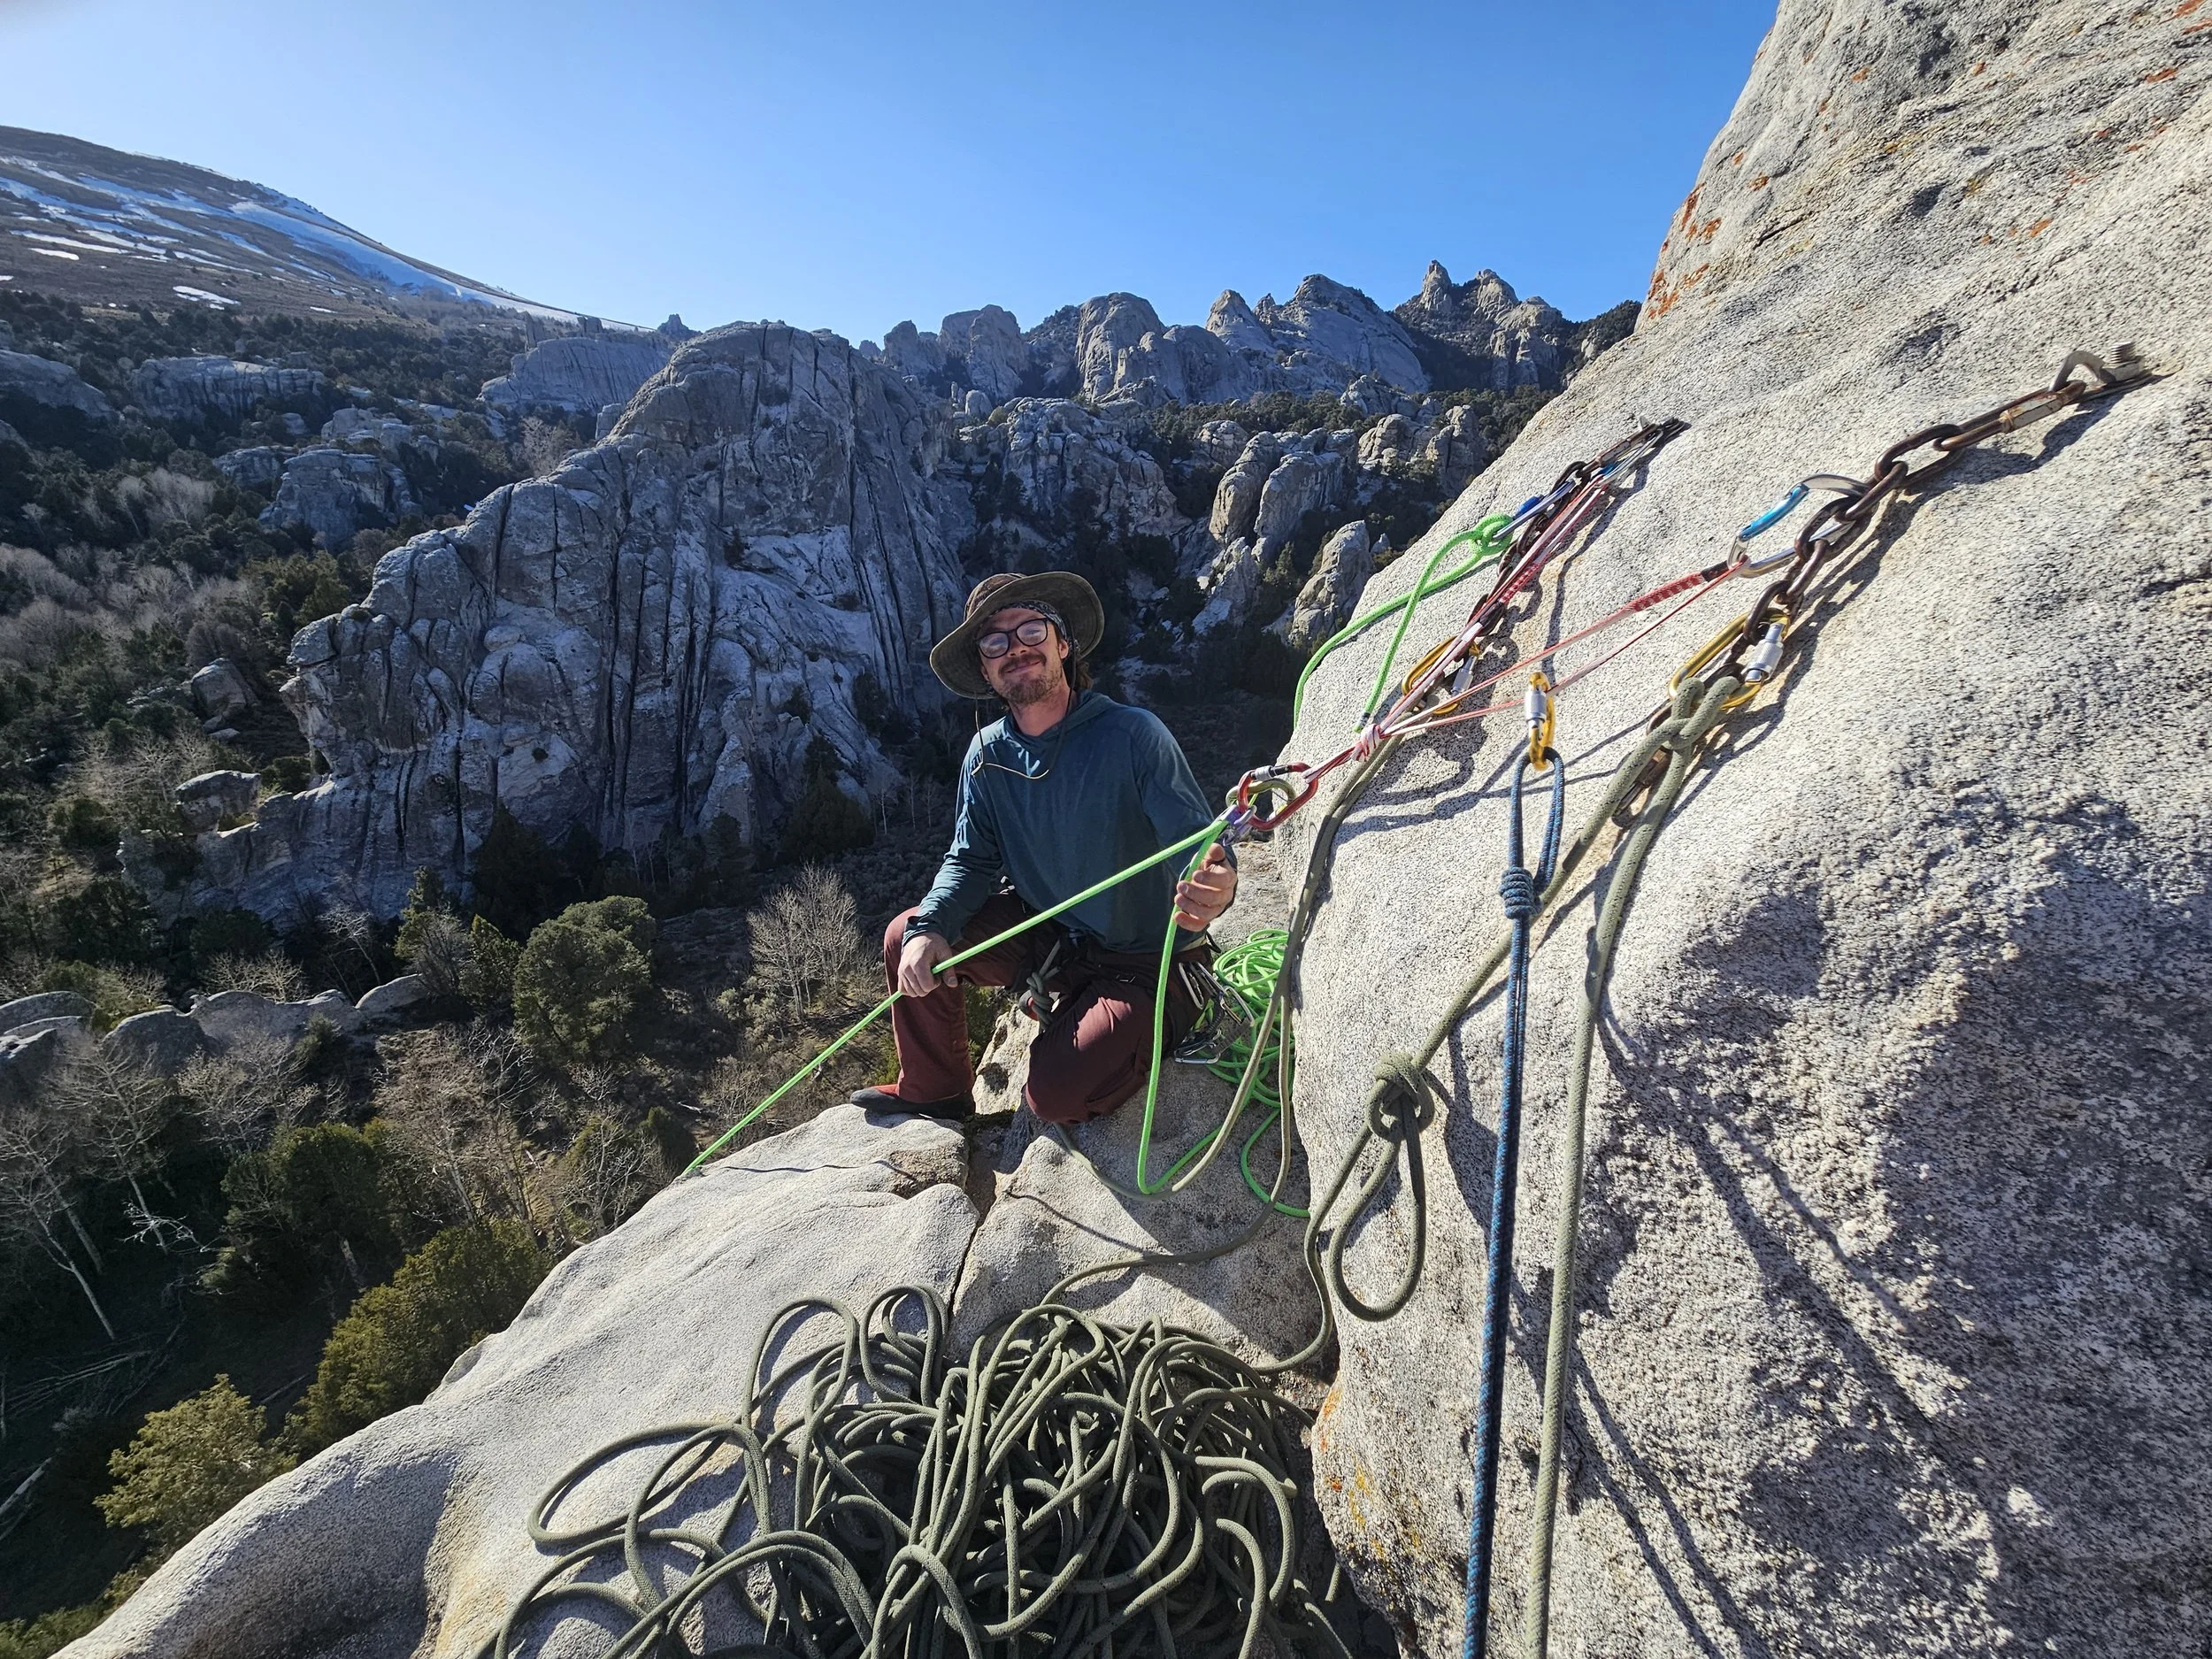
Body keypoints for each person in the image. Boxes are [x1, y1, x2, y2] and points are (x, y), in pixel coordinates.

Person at [849, 571, 1237, 1125]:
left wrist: (1213, 886)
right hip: (1051, 941)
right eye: (995, 642)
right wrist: (931, 928)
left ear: (1062, 643)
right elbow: (970, 859)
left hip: (1145, 960)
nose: (1016, 650)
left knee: (1054, 1095)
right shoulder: (986, 756)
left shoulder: (1132, 735)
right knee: (904, 935)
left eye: (1032, 630)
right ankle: (935, 1088)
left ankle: (1165, 1014)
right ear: (985, 669)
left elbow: (1196, 846)